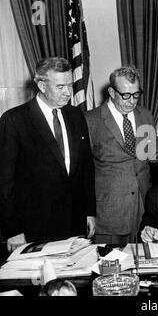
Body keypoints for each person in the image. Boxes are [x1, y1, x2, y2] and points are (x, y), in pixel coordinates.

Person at [0, 57, 95, 252]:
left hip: (75, 224)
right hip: (33, 228)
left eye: (70, 85)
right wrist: (12, 229)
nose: (68, 92)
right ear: (42, 86)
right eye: (60, 87)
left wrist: (90, 212)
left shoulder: (76, 116)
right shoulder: (14, 120)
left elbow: (86, 168)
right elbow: (4, 182)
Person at [85, 66, 158, 246]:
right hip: (109, 214)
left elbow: (157, 151)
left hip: (145, 209)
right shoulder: (91, 120)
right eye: (126, 95)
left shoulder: (144, 115)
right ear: (112, 92)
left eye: (136, 94)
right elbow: (83, 171)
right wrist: (87, 212)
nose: (132, 101)